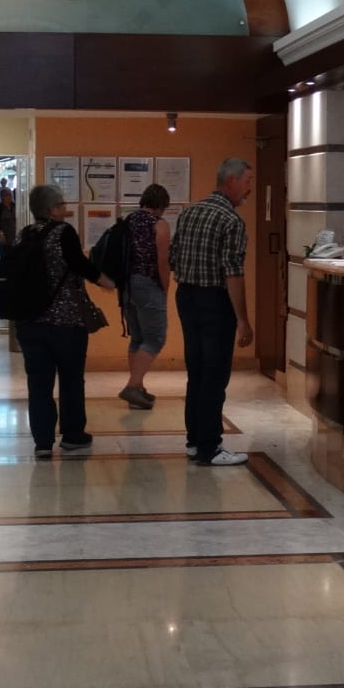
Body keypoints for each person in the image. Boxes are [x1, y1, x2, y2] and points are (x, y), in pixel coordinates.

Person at [14, 183, 113, 459]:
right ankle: (72, 435)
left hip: (29, 322)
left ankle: (43, 442)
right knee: (71, 379)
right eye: (61, 205)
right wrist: (104, 280)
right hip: (66, 322)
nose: (65, 209)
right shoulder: (63, 232)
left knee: (39, 383)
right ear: (51, 209)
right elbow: (79, 263)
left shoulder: (24, 235)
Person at [168, 156, 254, 466]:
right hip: (215, 302)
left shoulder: (190, 212)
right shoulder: (231, 221)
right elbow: (233, 273)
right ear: (231, 181)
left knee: (197, 371)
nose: (249, 189)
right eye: (247, 182)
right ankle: (210, 447)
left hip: (186, 297)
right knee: (215, 376)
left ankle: (194, 441)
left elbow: (173, 257)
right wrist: (243, 320)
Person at [115, 183, 173, 410]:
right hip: (148, 285)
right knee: (155, 338)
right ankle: (132, 385)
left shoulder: (129, 221)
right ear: (162, 205)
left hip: (126, 286)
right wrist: (165, 288)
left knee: (138, 338)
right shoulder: (159, 224)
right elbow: (162, 262)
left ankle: (137, 391)